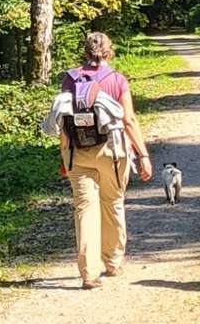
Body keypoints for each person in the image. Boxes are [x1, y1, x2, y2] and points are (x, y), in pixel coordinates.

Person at [51, 31, 152, 290]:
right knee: (113, 203)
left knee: (85, 209)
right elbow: (128, 119)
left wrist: (64, 155)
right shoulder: (117, 80)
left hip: (77, 153)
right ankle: (113, 261)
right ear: (109, 52)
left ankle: (88, 274)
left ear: (85, 52)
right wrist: (142, 155)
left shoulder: (70, 79)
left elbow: (64, 120)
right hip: (112, 153)